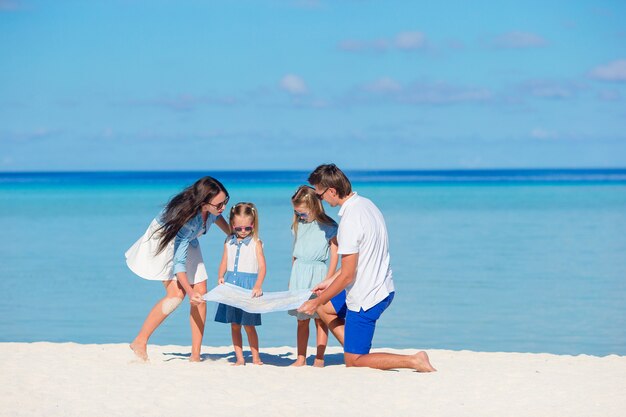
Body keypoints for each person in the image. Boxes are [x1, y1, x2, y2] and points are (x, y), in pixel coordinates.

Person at [298, 164, 436, 372]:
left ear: (332, 191)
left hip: (367, 296)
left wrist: (317, 299)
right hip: (380, 285)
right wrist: (327, 283)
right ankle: (354, 347)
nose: (321, 200)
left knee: (353, 362)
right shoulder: (366, 204)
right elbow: (358, 261)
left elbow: (347, 275)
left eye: (319, 195)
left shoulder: (350, 222)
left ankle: (413, 360)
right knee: (324, 308)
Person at [126, 176, 231, 362]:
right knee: (176, 296)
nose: (223, 207)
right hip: (165, 240)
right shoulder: (187, 222)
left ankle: (196, 355)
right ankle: (140, 341)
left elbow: (217, 216)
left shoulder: (212, 209)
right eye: (219, 204)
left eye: (225, 202)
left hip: (188, 240)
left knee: (202, 293)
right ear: (204, 202)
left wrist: (233, 235)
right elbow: (179, 264)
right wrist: (189, 292)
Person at [287, 185, 339, 367]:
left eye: (303, 213)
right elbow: (295, 252)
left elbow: (335, 254)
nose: (300, 216)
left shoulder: (329, 226)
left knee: (320, 319)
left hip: (318, 273)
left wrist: (329, 279)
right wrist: (291, 278)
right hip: (299, 273)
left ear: (315, 206)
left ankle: (319, 357)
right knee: (302, 320)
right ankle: (301, 357)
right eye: (297, 213)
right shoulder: (298, 225)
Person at [214, 202, 266, 366]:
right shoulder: (228, 241)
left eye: (247, 228)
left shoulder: (256, 242)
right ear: (232, 225)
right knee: (235, 325)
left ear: (252, 225)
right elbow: (224, 261)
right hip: (231, 286)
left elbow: (263, 267)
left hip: (248, 288)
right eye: (239, 229)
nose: (243, 232)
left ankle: (256, 357)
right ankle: (240, 358)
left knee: (249, 325)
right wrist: (220, 276)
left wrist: (258, 285)